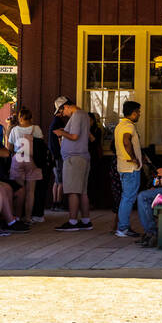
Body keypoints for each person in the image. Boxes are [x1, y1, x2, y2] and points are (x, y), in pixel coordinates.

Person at [54, 99, 93, 231]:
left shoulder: (76, 115)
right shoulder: (84, 115)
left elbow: (75, 136)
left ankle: (72, 222)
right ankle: (86, 220)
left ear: (66, 106)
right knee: (82, 191)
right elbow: (89, 136)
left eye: (62, 110)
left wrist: (61, 133)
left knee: (72, 192)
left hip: (74, 158)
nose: (63, 114)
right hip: (83, 156)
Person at [113, 101, 145, 238]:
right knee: (128, 198)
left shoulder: (120, 125)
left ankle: (122, 226)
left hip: (122, 166)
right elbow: (126, 141)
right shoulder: (128, 126)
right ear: (133, 113)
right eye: (138, 111)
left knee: (126, 197)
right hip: (130, 168)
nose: (139, 114)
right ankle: (123, 228)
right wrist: (133, 158)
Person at [8, 107, 45, 225]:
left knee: (19, 190)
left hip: (18, 158)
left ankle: (18, 217)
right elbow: (41, 146)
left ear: (20, 118)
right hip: (32, 160)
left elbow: (9, 147)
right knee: (31, 192)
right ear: (31, 118)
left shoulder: (15, 130)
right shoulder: (36, 129)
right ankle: (28, 217)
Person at [48, 98, 68, 211]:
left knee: (57, 181)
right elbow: (60, 139)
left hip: (54, 155)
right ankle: (58, 203)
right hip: (58, 155)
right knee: (61, 181)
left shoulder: (54, 122)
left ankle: (54, 203)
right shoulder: (58, 123)